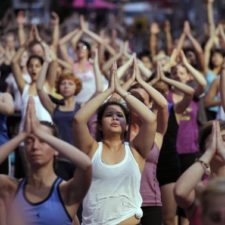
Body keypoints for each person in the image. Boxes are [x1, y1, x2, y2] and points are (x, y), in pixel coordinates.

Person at [73, 63, 156, 225]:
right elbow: (78, 119)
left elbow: (151, 119)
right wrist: (108, 91)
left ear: (126, 126)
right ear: (99, 125)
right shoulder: (92, 149)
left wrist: (122, 92)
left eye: (120, 115)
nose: (115, 118)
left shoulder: (136, 150)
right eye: (109, 115)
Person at [0, 97, 92, 225]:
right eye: (29, 141)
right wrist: (22, 135)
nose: (35, 146)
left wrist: (38, 132)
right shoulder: (12, 189)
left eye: (43, 141)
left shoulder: (65, 191)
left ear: (56, 148)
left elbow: (86, 165)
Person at [37, 55, 82, 180]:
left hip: (78, 157)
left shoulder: (82, 107)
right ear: (59, 88)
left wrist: (95, 65)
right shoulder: (53, 108)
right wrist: (46, 62)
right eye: (63, 83)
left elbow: (99, 90)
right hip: (60, 158)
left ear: (76, 87)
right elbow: (40, 88)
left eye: (70, 83)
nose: (66, 86)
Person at [174, 120, 225, 224]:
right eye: (215, 140)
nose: (220, 144)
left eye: (224, 139)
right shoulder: (199, 188)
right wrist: (210, 151)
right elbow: (180, 192)